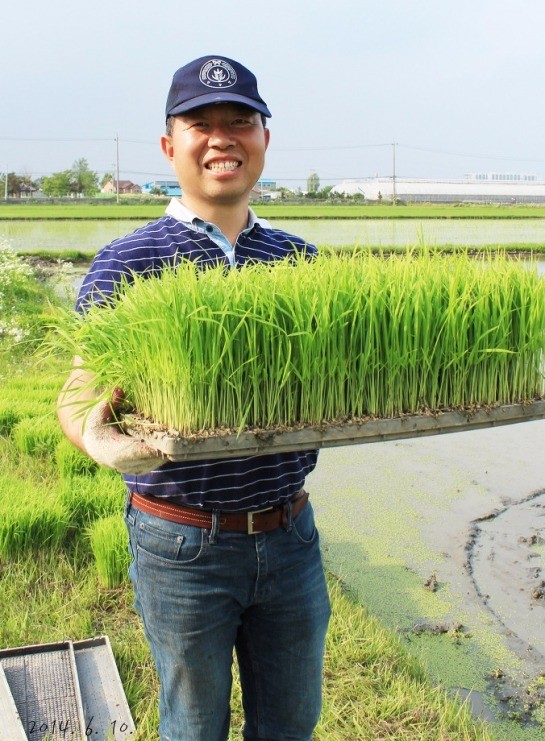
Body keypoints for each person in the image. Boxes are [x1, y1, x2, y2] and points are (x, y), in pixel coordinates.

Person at [57, 55, 331, 741]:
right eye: (200, 124)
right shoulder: (130, 260)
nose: (221, 138)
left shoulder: (300, 261)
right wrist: (98, 439)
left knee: (292, 724)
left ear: (265, 137)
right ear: (168, 145)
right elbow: (78, 394)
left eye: (240, 121)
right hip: (182, 541)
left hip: (290, 532)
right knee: (193, 724)